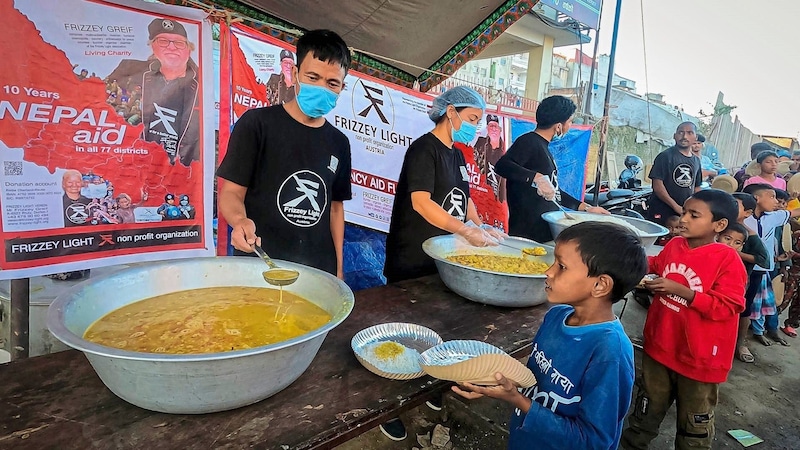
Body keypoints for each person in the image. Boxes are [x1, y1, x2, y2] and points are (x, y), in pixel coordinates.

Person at [452, 222, 647, 450]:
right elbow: (535, 378)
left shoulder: (610, 351)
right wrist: (496, 383)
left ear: (600, 285)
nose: (548, 271)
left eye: (561, 266)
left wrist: (518, 400)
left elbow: (592, 442)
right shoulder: (556, 316)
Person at [217, 29, 352, 278]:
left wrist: (339, 269)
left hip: (318, 272)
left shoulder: (339, 143)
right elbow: (231, 193)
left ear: (342, 87)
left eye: (332, 83)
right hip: (260, 266)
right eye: (313, 77)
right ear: (296, 75)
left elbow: (335, 209)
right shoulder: (257, 124)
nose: (322, 87)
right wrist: (239, 221)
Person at [621, 189, 746, 450]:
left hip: (699, 360)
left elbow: (729, 306)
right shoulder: (676, 244)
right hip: (659, 347)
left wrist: (684, 292)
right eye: (683, 212)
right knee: (646, 410)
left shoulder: (727, 259)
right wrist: (626, 261)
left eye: (694, 215)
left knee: (693, 425)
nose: (683, 219)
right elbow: (656, 264)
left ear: (719, 225)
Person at [383, 86, 504, 285]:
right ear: (450, 112)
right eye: (472, 119)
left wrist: (480, 228)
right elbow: (421, 203)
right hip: (414, 260)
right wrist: (465, 231)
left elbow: (465, 199)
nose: (474, 127)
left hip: (443, 258)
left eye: (477, 122)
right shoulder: (423, 150)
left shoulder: (457, 154)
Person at [495, 95, 608, 242]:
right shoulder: (529, 141)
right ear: (559, 126)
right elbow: (502, 166)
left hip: (544, 231)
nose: (570, 125)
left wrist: (587, 208)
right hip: (527, 234)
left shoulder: (544, 148)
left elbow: (554, 192)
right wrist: (535, 177)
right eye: (570, 121)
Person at [106, 18, 200, 166]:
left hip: (178, 173)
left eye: (179, 43)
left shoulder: (205, 83)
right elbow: (101, 104)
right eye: (163, 41)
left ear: (189, 49)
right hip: (128, 161)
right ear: (152, 46)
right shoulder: (128, 70)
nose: (171, 47)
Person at [741, 183, 800, 348]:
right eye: (772, 196)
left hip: (761, 270)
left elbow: (795, 212)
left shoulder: (773, 217)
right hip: (743, 267)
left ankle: (740, 343)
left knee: (748, 306)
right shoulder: (743, 217)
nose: (776, 202)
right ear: (757, 198)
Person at [730, 192, 770, 363]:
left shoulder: (750, 235)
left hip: (745, 278)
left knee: (743, 310)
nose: (730, 207)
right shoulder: (720, 226)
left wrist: (738, 253)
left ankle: (740, 344)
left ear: (747, 213)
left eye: (735, 205)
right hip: (721, 276)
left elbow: (764, 260)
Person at [645, 122, 702, 225]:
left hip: (684, 214)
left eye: (689, 133)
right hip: (662, 211)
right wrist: (676, 207)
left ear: (695, 137)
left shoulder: (696, 161)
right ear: (674, 136)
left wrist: (696, 208)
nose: (684, 136)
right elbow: (657, 186)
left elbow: (696, 187)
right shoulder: (665, 156)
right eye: (681, 132)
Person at [473, 113, 506, 202]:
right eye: (491, 126)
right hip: (480, 193)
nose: (494, 129)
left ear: (500, 130)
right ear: (487, 129)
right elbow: (473, 162)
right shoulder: (480, 143)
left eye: (496, 126)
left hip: (497, 199)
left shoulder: (505, 150)